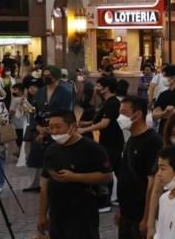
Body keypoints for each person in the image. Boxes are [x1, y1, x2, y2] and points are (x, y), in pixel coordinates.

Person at [37, 110, 112, 239]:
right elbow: (44, 185)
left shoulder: (91, 148)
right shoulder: (51, 150)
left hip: (82, 214)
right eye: (51, 128)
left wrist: (74, 177)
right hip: (57, 214)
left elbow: (107, 176)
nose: (54, 132)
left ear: (73, 126)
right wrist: (42, 215)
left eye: (58, 127)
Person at [115, 96, 162, 239]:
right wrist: (121, 210)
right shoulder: (131, 139)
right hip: (127, 215)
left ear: (138, 115)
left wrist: (147, 219)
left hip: (140, 216)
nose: (120, 117)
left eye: (124, 113)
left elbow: (152, 184)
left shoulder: (152, 141)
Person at [78, 76, 124, 210]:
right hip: (109, 142)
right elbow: (99, 120)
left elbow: (104, 123)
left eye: (99, 86)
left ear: (106, 88)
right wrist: (85, 124)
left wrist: (84, 129)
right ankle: (119, 198)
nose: (96, 88)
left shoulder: (112, 103)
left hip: (112, 142)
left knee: (103, 172)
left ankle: (104, 202)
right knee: (117, 172)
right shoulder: (107, 102)